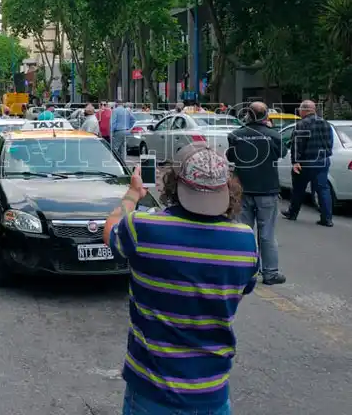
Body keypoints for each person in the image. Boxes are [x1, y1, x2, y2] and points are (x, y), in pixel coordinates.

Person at [104, 143, 258, 415]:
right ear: (227, 189)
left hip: (151, 393)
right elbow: (243, 287)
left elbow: (110, 232)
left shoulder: (142, 228)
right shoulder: (244, 241)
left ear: (174, 184)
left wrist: (133, 193)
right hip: (212, 395)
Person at [226, 101, 286, 285]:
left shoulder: (236, 135)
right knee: (267, 233)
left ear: (248, 115)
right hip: (267, 189)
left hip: (243, 188)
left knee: (243, 232)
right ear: (266, 116)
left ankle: (243, 272)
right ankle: (270, 273)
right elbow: (281, 153)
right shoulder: (274, 136)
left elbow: (231, 157)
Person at [282, 99, 334, 227]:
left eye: (300, 109)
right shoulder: (326, 124)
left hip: (306, 161)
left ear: (304, 110)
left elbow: (297, 144)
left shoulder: (301, 124)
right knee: (323, 189)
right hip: (322, 161)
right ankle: (327, 218)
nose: (299, 112)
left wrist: (295, 161)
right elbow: (330, 143)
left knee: (298, 188)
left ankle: (293, 213)